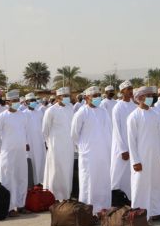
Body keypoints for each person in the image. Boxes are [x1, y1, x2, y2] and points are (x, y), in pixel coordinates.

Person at [127, 86, 160, 222]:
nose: (152, 98)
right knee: (141, 186)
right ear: (140, 98)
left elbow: (159, 137)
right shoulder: (133, 117)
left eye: (152, 95)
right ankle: (139, 215)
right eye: (148, 95)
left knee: (156, 184)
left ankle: (156, 212)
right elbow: (131, 141)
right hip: (141, 158)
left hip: (156, 156)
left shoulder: (155, 114)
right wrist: (135, 161)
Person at [71, 86, 113, 214]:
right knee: (88, 182)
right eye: (94, 96)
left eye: (98, 95)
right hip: (88, 154)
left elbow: (109, 130)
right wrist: (82, 147)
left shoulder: (103, 111)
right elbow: (74, 134)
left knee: (103, 180)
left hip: (103, 153)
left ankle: (103, 208)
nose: (97, 98)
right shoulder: (82, 112)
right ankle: (89, 210)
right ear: (87, 97)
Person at [0, 90, 30, 216]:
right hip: (7, 153)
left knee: (21, 177)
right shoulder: (1, 117)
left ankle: (20, 205)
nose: (14, 103)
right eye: (12, 101)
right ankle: (8, 207)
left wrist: (25, 143)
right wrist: (2, 149)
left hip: (20, 152)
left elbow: (25, 132)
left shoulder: (23, 115)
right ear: (7, 102)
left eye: (16, 101)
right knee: (8, 179)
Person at [42, 87, 75, 201]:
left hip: (68, 146)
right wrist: (49, 144)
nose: (66, 98)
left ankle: (66, 196)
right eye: (64, 96)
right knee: (55, 171)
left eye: (67, 96)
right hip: (55, 146)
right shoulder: (50, 111)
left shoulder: (71, 108)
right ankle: (54, 196)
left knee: (67, 170)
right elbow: (45, 130)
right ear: (57, 97)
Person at [110, 81, 136, 198]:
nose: (130, 91)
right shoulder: (117, 107)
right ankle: (114, 198)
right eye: (128, 89)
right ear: (122, 91)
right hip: (121, 147)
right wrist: (123, 149)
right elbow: (117, 130)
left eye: (131, 88)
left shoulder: (134, 106)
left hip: (133, 146)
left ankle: (129, 199)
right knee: (117, 173)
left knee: (131, 175)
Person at [24, 93, 46, 186]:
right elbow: (22, 129)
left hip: (39, 141)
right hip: (29, 143)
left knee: (41, 160)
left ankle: (39, 181)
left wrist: (44, 140)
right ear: (26, 102)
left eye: (34, 100)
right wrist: (25, 142)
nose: (33, 102)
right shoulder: (23, 114)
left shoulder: (39, 112)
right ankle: (32, 182)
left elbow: (43, 127)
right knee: (31, 162)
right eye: (30, 101)